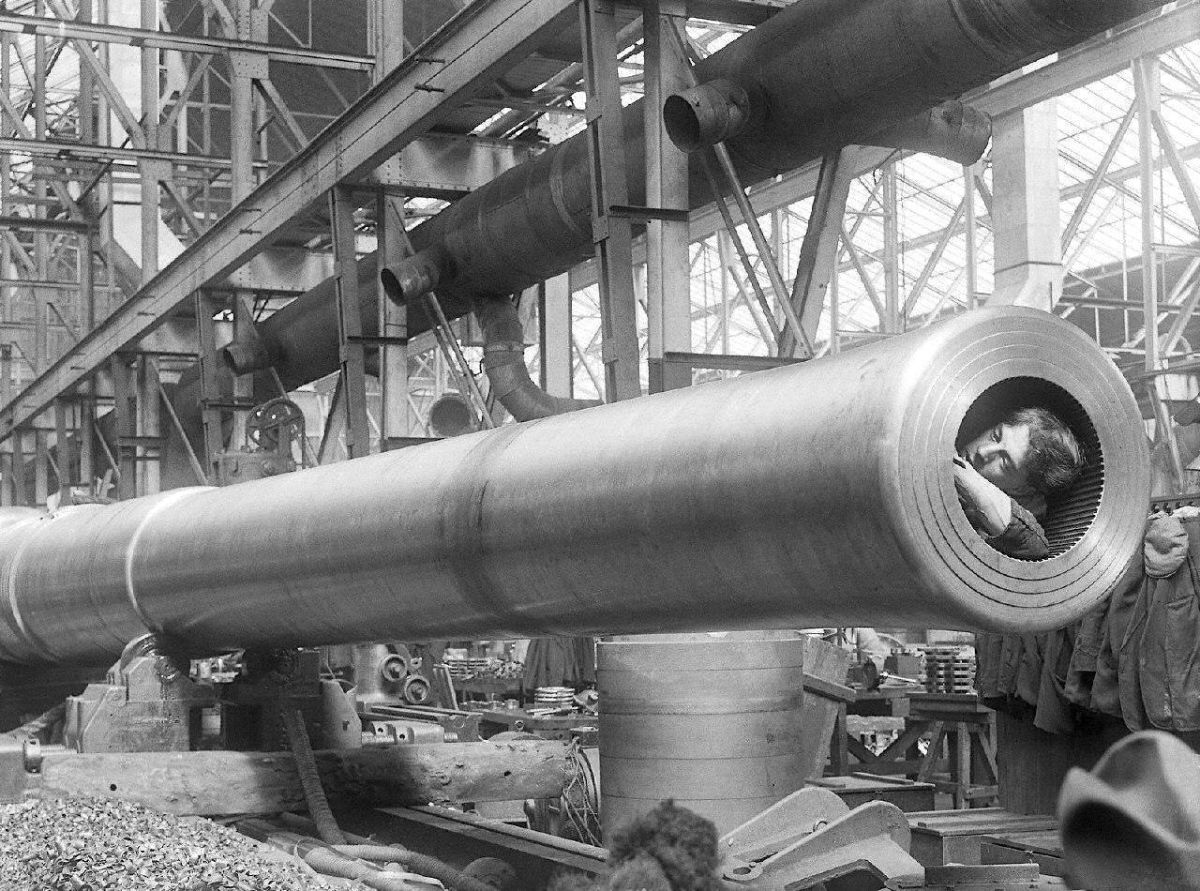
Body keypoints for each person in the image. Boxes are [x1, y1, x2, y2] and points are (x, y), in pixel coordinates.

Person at [952, 406, 1085, 559]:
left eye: (1005, 463)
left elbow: (1035, 547)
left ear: (1022, 490)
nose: (983, 451)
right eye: (996, 436)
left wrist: (954, 468)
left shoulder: (1002, 524)